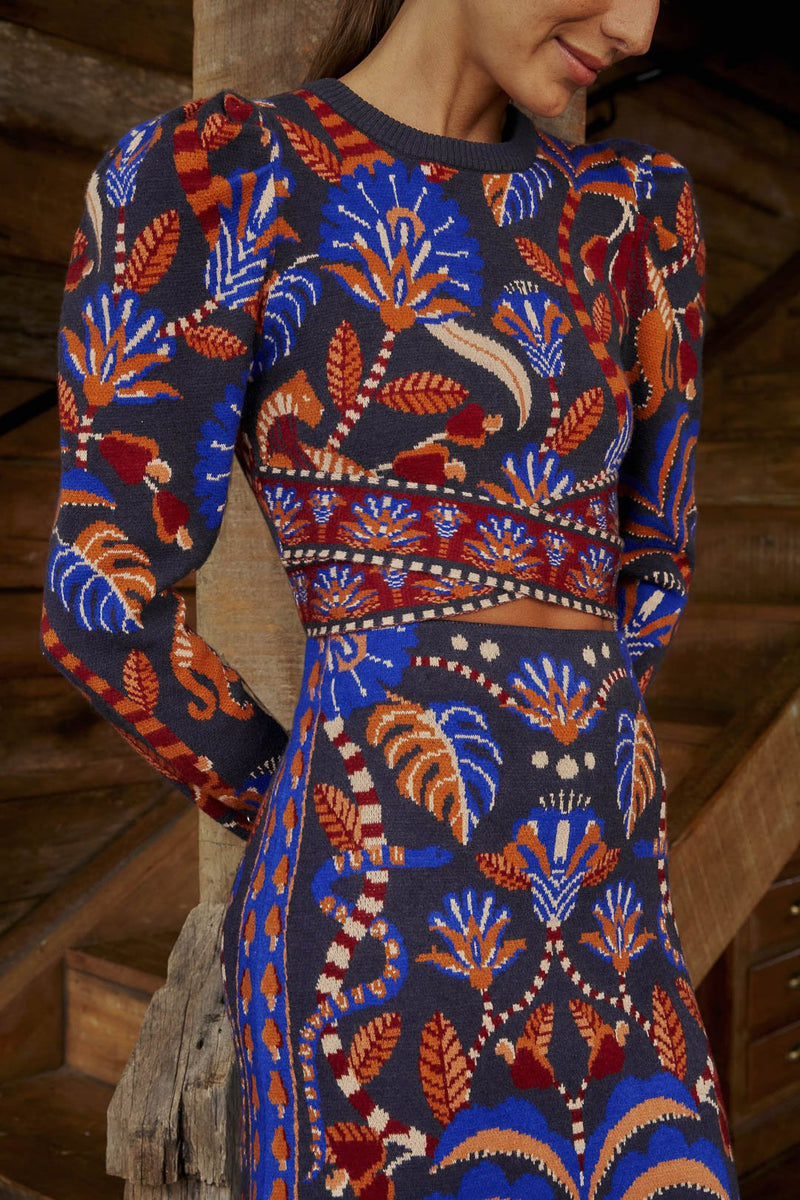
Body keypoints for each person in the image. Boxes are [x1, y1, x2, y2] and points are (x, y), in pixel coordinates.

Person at [41, 1, 741, 1196]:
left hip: (610, 893)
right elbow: (101, 601)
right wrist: (319, 799)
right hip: (381, 907)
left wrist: (574, 766)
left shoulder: (632, 218)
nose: (635, 25)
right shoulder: (224, 177)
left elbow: (654, 565)